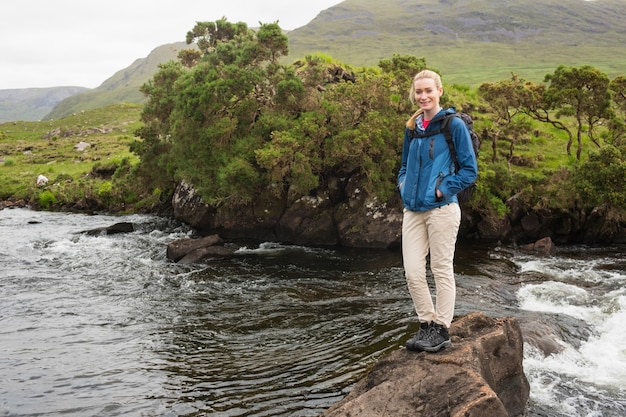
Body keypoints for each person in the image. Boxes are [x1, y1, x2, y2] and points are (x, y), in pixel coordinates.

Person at [397, 70, 478, 352]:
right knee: (413, 272)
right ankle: (426, 324)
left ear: (439, 91)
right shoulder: (412, 127)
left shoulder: (452, 125)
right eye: (418, 92)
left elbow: (470, 171)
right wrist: (403, 186)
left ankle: (441, 329)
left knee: (441, 269)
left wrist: (442, 189)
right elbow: (405, 165)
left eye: (428, 90)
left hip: (442, 209)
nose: (423, 96)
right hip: (413, 210)